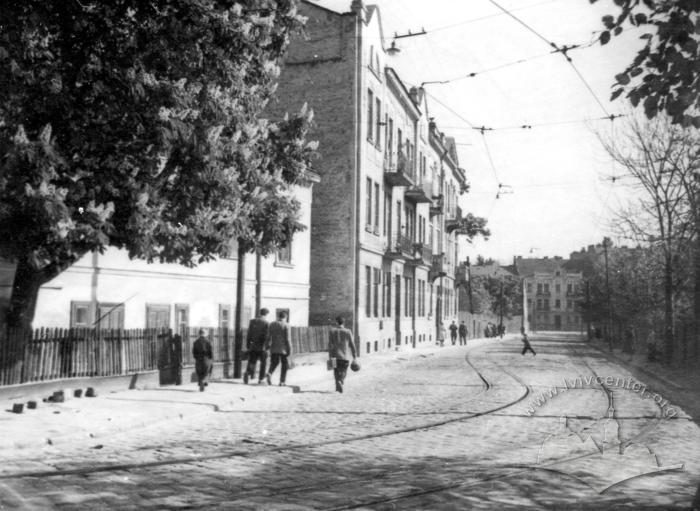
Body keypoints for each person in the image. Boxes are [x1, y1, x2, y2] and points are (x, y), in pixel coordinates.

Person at [327, 316, 357, 393]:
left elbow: (330, 345)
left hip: (335, 356)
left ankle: (337, 385)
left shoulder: (332, 331)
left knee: (336, 371)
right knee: (344, 371)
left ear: (337, 322)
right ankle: (341, 381)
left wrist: (330, 356)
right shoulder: (348, 331)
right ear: (343, 323)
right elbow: (352, 344)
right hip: (345, 356)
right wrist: (354, 356)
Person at [244, 308, 270, 384]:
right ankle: (261, 379)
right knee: (263, 363)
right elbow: (267, 336)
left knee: (252, 361)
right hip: (262, 347)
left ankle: (248, 372)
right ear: (266, 314)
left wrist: (248, 344)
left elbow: (249, 334)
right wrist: (267, 346)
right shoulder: (266, 323)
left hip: (253, 345)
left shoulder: (252, 321)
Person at [266, 310, 292, 386]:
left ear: (278, 316)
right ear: (285, 317)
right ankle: (282, 381)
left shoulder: (272, 324)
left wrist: (268, 345)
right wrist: (289, 349)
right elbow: (288, 339)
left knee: (274, 362)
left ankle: (269, 373)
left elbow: (268, 336)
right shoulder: (286, 325)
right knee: (285, 364)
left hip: (274, 347)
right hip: (283, 348)